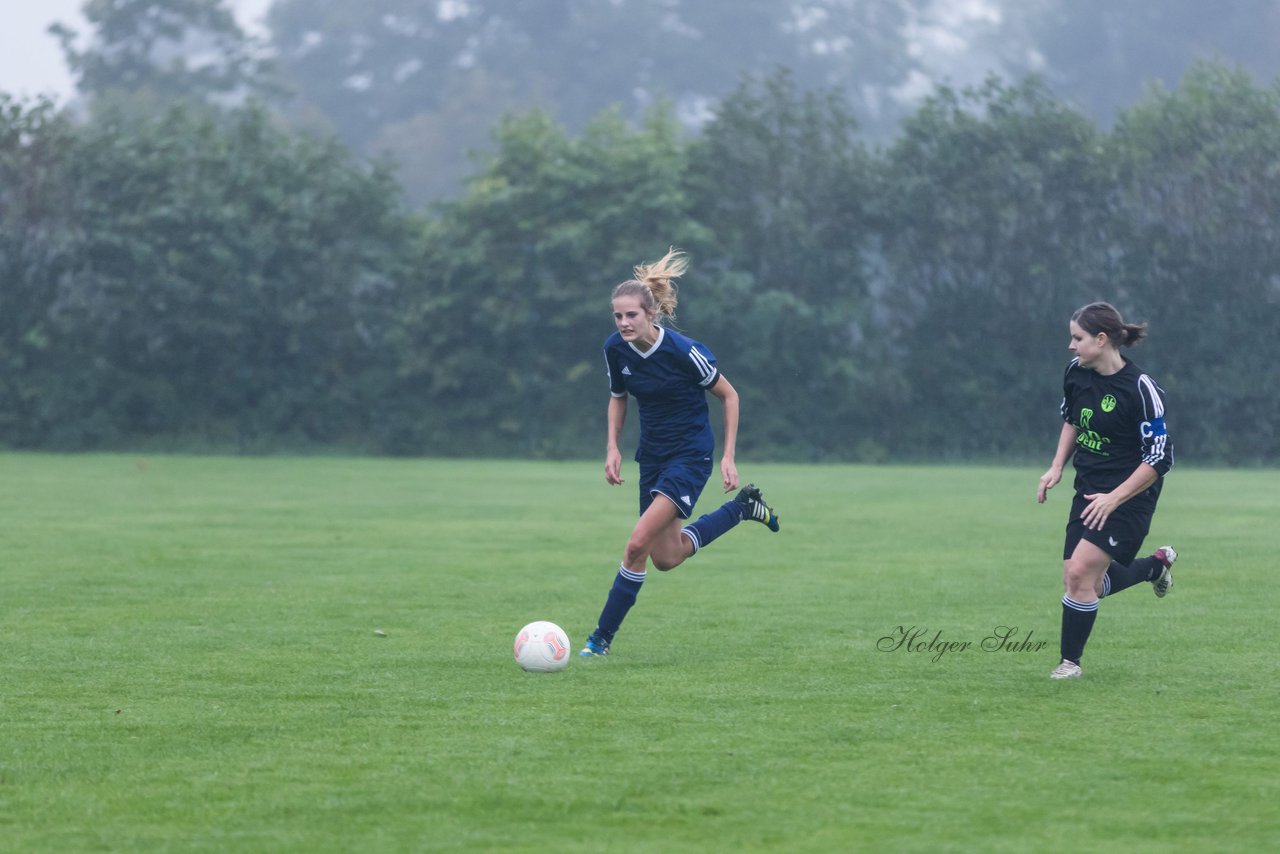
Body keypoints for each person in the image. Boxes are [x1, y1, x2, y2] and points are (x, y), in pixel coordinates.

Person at [579, 248, 780, 657]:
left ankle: (599, 640)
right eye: (617, 316)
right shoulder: (615, 349)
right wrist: (612, 447)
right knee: (666, 557)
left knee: (636, 546)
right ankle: (742, 509)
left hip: (690, 455)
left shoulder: (684, 352)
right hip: (651, 457)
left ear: (650, 313)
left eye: (631, 315)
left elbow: (730, 395)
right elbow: (618, 397)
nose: (623, 323)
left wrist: (728, 456)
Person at [1037, 301, 1177, 680]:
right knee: (1081, 582)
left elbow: (1160, 458)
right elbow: (1071, 420)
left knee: (1081, 575)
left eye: (1077, 338)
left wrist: (1115, 497)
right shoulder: (1075, 372)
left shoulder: (1141, 388)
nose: (1071, 345)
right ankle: (1155, 566)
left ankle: (1070, 664)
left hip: (1131, 496)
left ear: (1101, 340)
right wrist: (1056, 467)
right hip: (1089, 490)